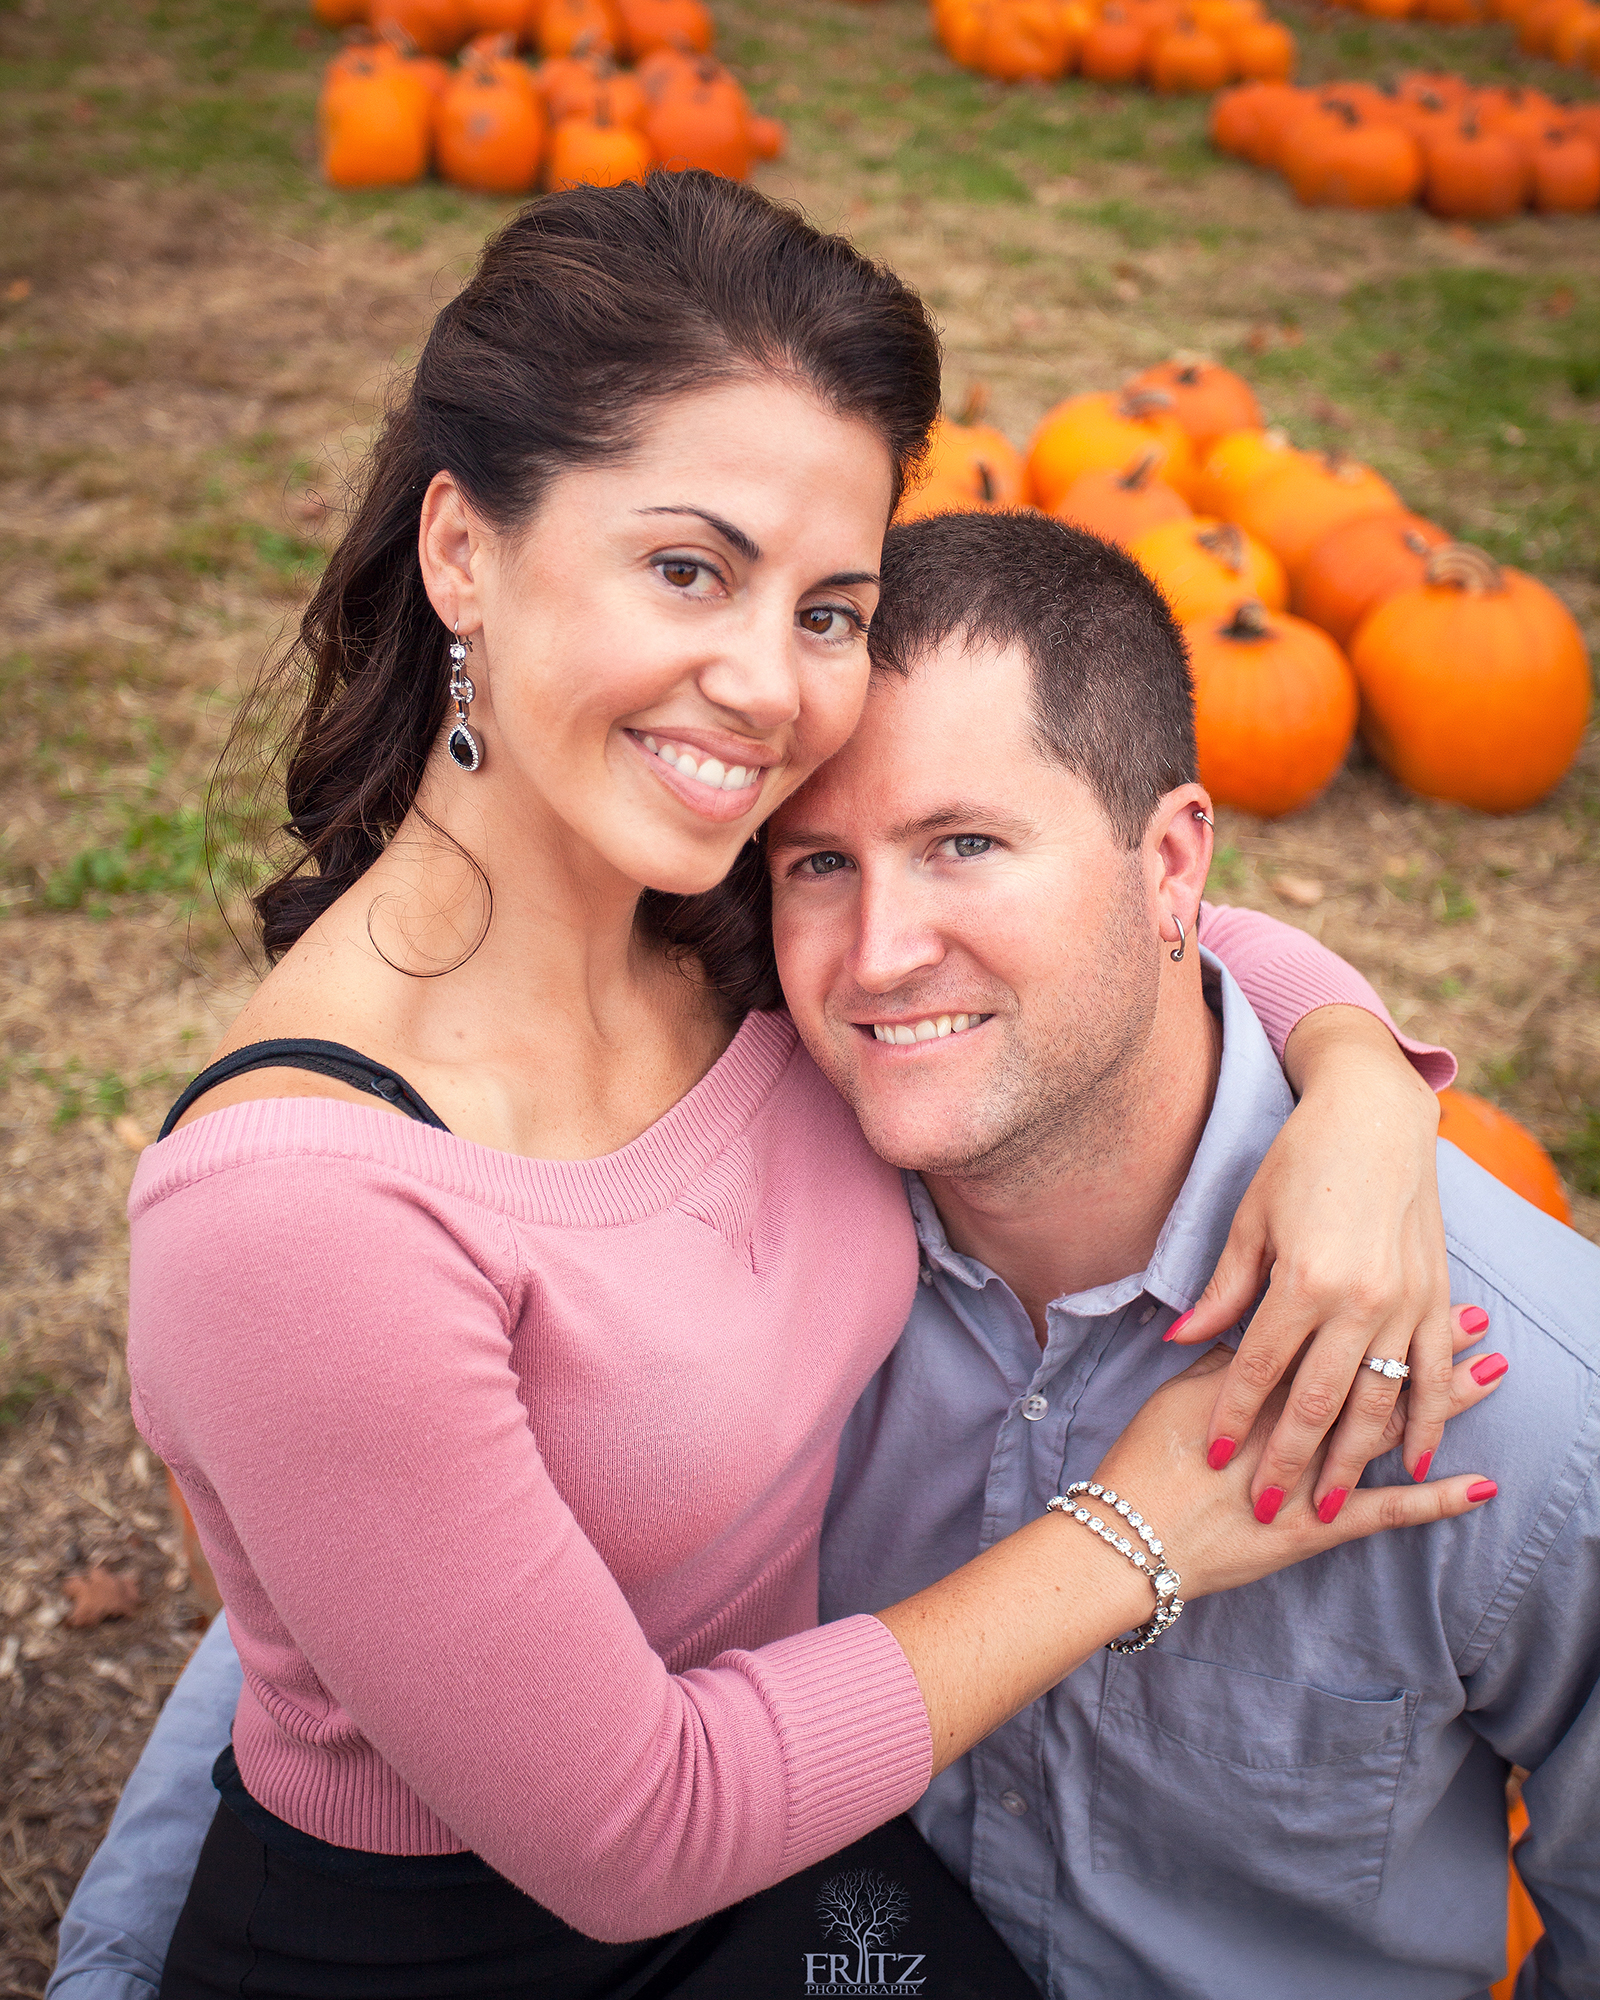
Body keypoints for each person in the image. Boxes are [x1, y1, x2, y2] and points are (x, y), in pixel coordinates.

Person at [52, 176, 1495, 2000]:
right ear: (461, 552)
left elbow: (1105, 916)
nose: (765, 688)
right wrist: (1137, 1533)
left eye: (831, 608)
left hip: (815, 1836)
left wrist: (1364, 1088)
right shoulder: (299, 1207)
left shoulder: (730, 909)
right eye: (687, 569)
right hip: (488, 1943)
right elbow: (632, 1826)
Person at [783, 510, 1600, 2000]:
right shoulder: (730, 1244)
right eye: (817, 862)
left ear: (1172, 864)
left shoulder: (1520, 1390)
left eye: (963, 844)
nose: (879, 950)